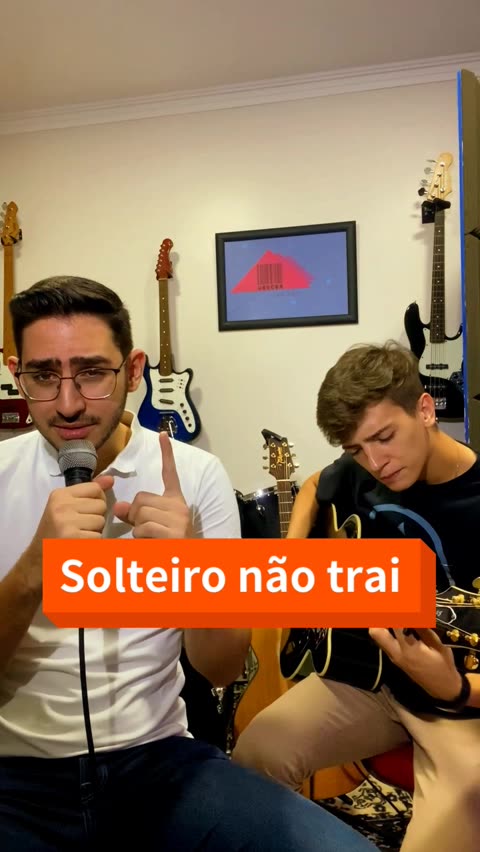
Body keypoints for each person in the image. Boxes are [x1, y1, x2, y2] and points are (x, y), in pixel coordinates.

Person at [0, 276, 376, 852]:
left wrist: (188, 571)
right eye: (44, 376)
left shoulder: (196, 475)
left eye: (93, 373)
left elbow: (223, 669)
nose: (69, 403)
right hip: (16, 776)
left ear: (133, 370)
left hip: (159, 765)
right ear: (15, 371)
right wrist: (34, 568)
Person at [233, 341, 480, 852]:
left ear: (425, 410)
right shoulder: (359, 473)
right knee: (253, 756)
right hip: (372, 683)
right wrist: (294, 558)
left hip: (459, 704)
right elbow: (312, 486)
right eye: (356, 450)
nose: (375, 463)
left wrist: (455, 688)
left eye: (384, 438)